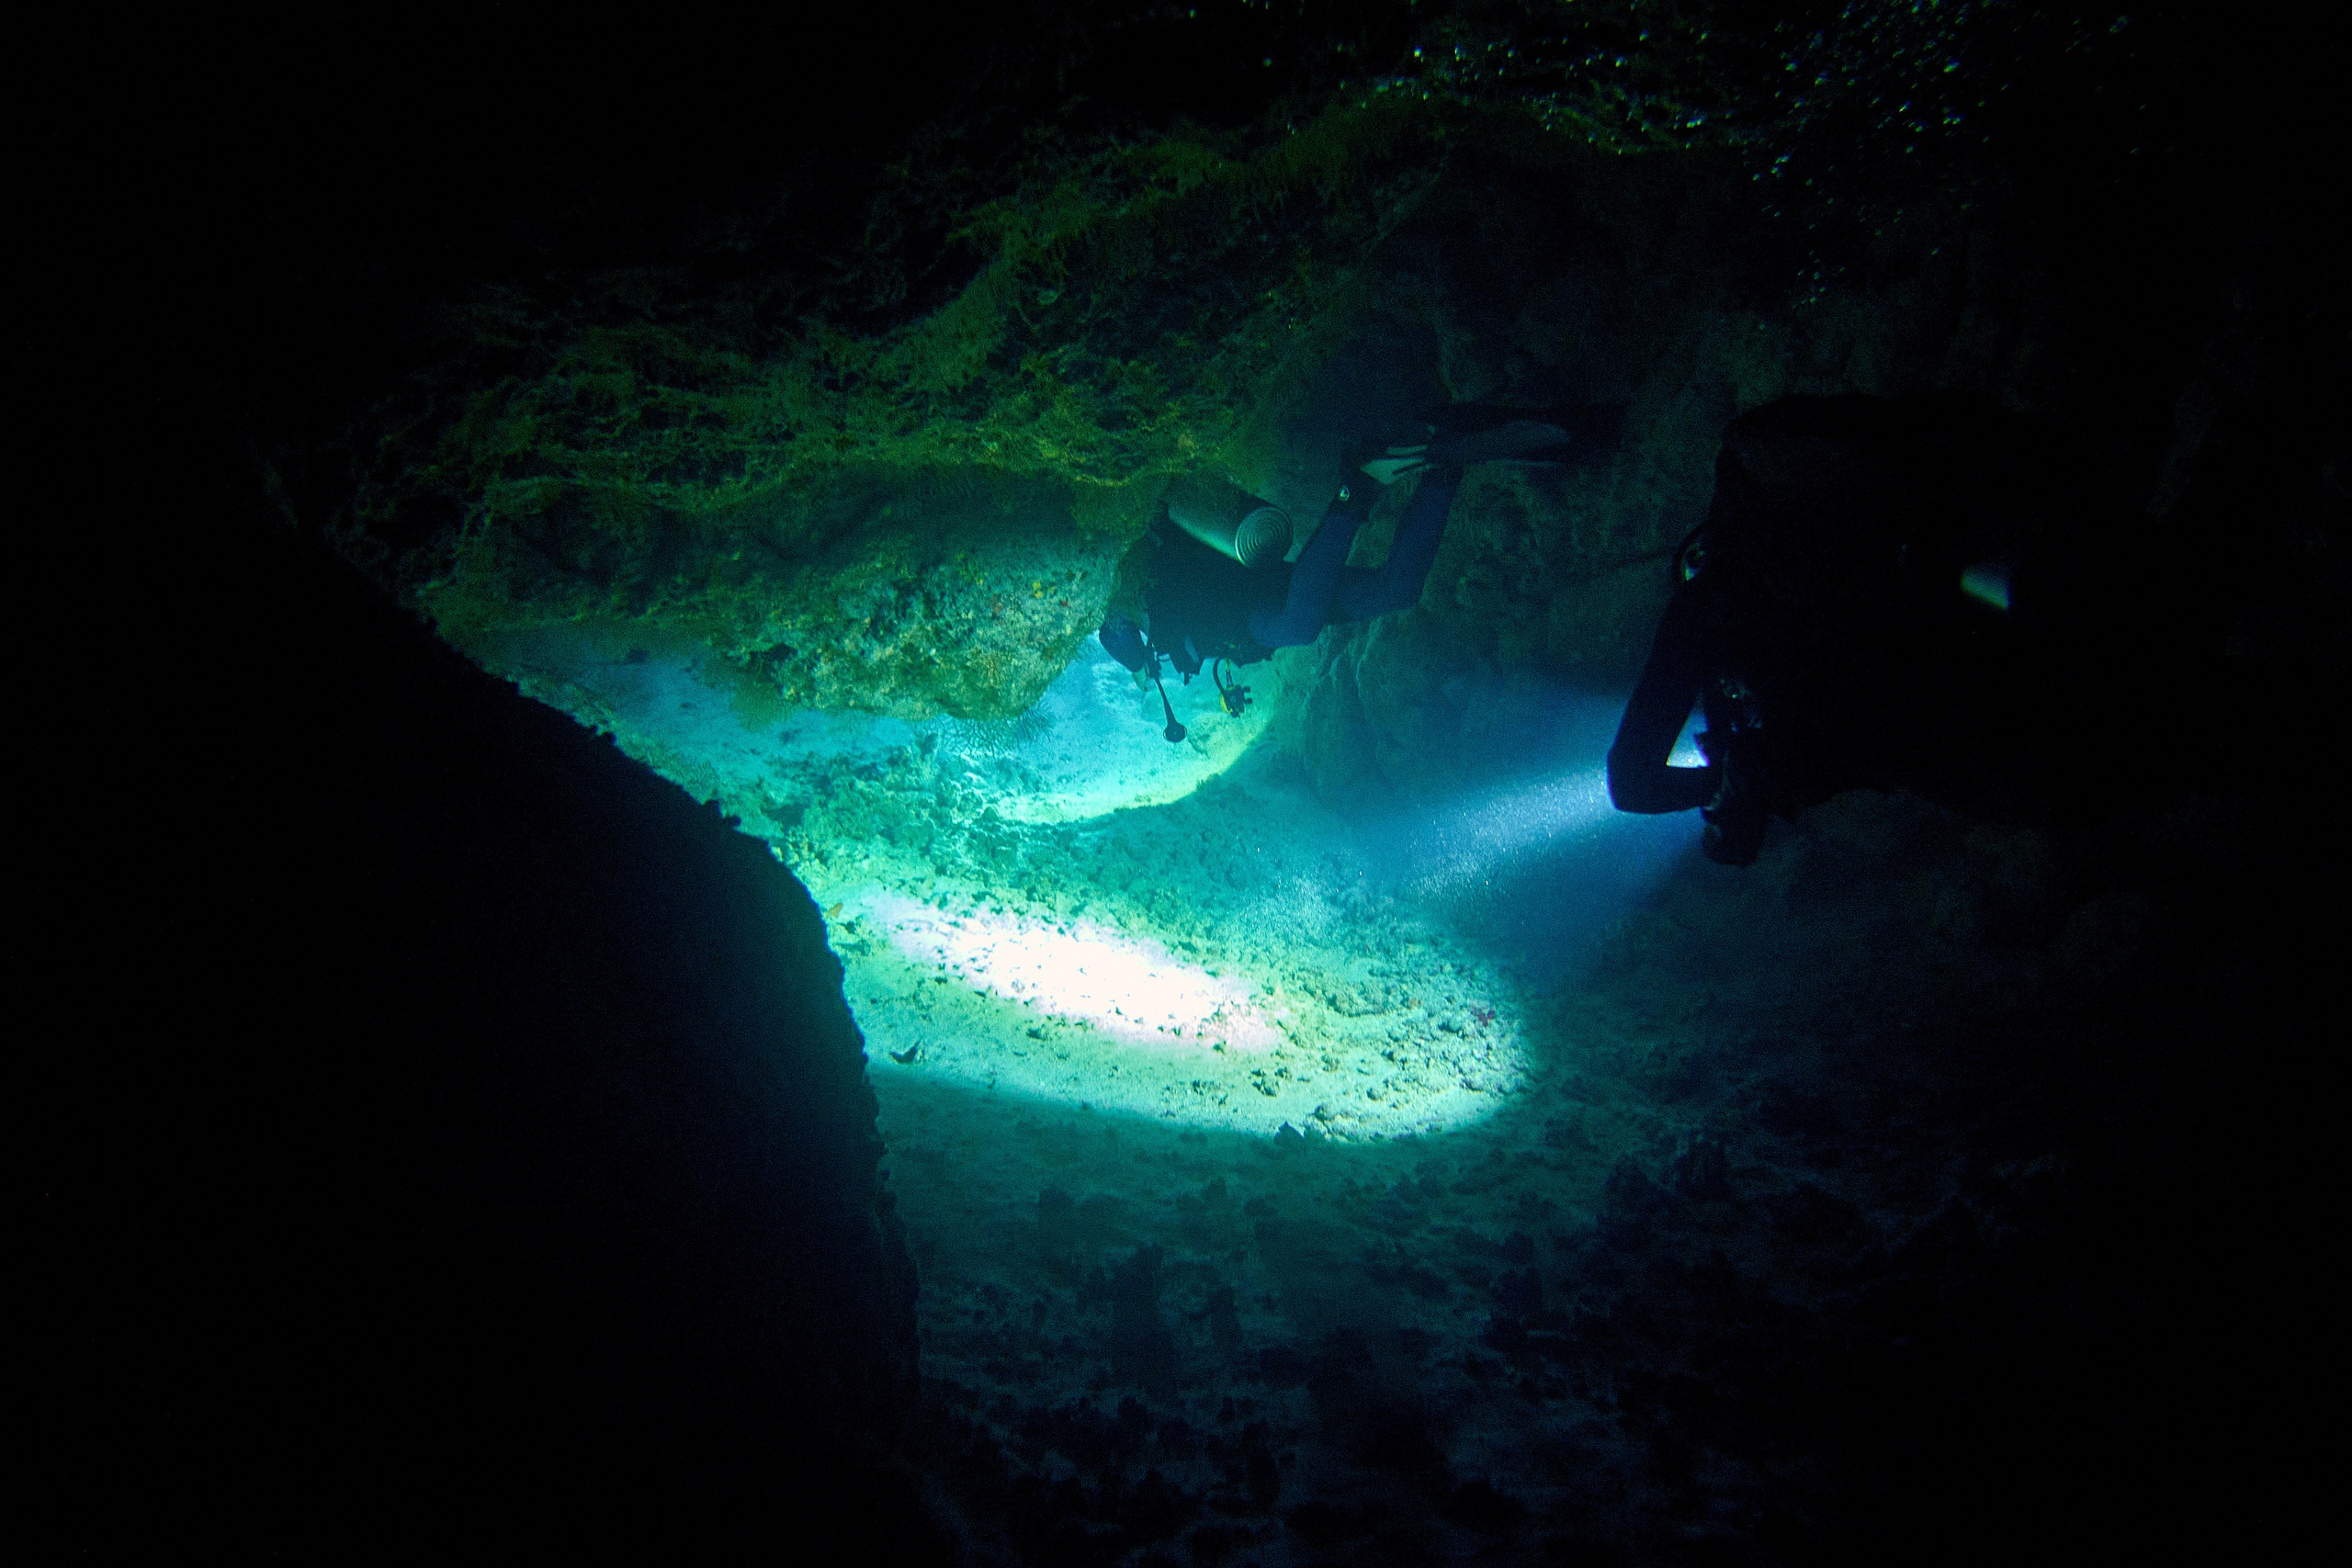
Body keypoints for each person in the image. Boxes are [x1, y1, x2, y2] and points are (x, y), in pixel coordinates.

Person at [1606, 393, 2147, 865]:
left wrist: (1726, 784)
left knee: (2082, 776)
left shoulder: (1713, 602)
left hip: (1952, 689)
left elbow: (1633, 783)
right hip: (1982, 583)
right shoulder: (1840, 526)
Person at [1102, 404, 1623, 739]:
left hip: (1257, 605)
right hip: (1269, 603)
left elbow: (1125, 622)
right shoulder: (1159, 637)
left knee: (1298, 626)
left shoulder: (1141, 593)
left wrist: (1136, 655)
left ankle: (1361, 485)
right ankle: (1444, 474)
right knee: (1396, 591)